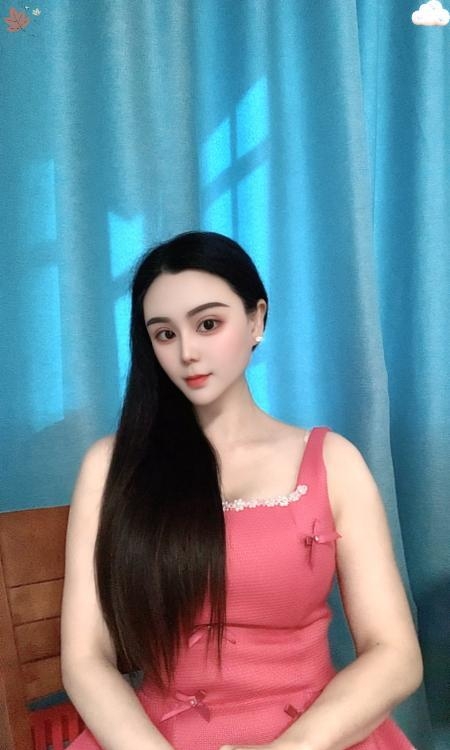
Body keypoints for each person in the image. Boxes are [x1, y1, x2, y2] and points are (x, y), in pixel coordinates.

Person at [61, 231, 423, 750]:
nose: (187, 352)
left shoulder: (333, 462)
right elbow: (85, 657)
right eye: (164, 334)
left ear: (256, 320)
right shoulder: (111, 467)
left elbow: (395, 653)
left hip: (317, 736)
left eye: (208, 324)